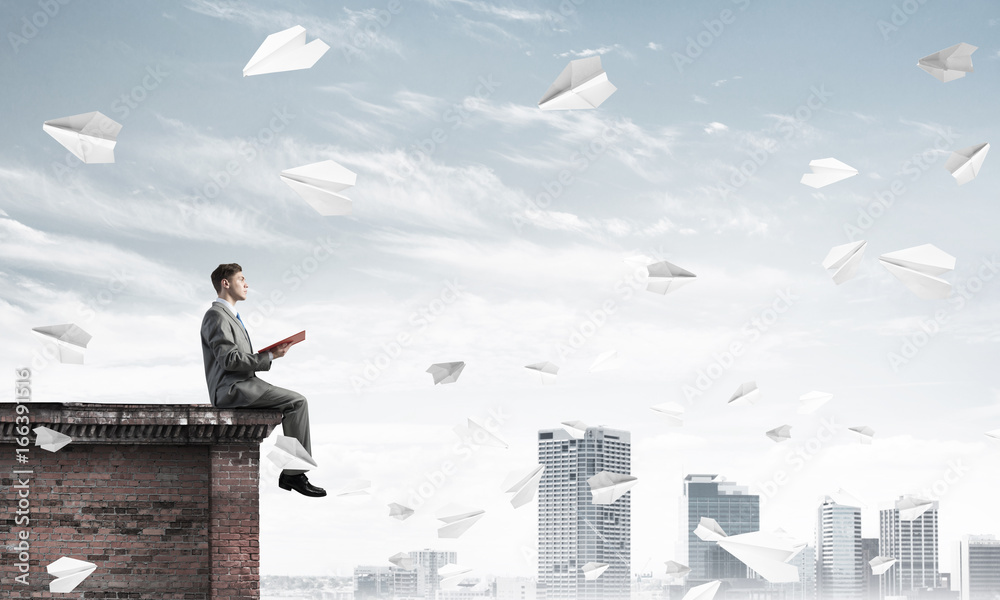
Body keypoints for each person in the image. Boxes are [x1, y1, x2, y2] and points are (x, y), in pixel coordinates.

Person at [200, 263, 326, 497]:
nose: (247, 284)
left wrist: (269, 354)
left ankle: (292, 471)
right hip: (231, 389)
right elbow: (229, 360)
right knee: (297, 402)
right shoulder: (216, 316)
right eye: (241, 279)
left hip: (244, 384)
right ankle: (293, 474)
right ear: (225, 283)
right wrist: (268, 356)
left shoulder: (229, 316)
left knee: (296, 402)